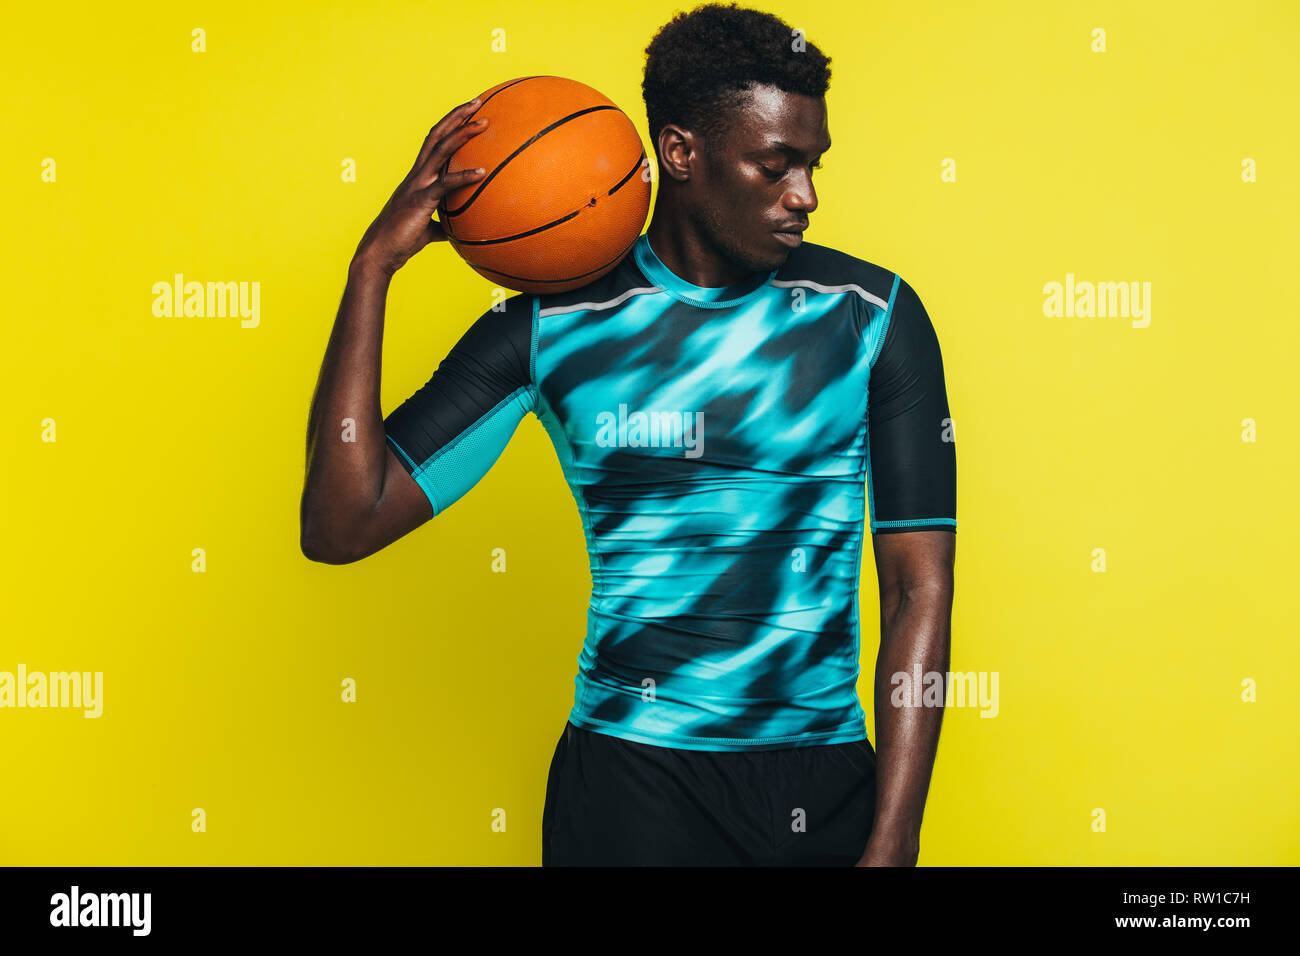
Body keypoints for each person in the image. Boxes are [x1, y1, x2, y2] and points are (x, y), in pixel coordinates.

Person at [300, 1, 956, 867]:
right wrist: (371, 269)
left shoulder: (872, 317)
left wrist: (896, 835)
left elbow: (919, 589)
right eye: (776, 166)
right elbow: (342, 524)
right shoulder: (547, 327)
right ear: (681, 153)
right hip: (628, 792)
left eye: (813, 164)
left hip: (821, 782)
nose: (807, 195)